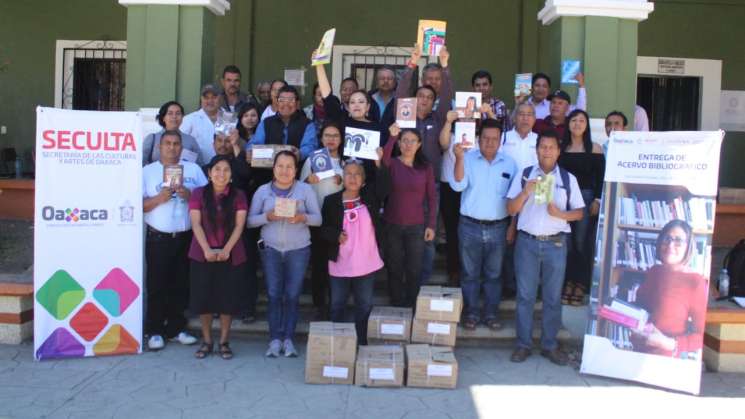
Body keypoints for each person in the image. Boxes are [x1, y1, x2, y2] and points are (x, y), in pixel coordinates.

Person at [507, 130, 585, 365]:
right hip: (527, 243)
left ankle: (549, 345)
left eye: (552, 147)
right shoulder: (525, 175)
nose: (547, 151)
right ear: (537, 149)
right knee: (525, 297)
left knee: (552, 298)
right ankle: (523, 345)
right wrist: (526, 191)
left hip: (556, 244)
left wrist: (559, 214)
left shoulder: (568, 179)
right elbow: (511, 209)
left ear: (559, 151)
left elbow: (579, 213)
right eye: (543, 147)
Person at [248, 151, 321, 358]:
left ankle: (288, 339)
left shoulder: (305, 190)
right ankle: (274, 339)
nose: (285, 171)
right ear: (273, 168)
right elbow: (250, 221)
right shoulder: (262, 191)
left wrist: (302, 217)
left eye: (289, 166)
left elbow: (318, 219)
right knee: (273, 294)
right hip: (270, 249)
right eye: (280, 166)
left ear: (296, 170)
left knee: (292, 295)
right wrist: (267, 216)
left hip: (298, 249)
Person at [142, 130, 208, 351]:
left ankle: (176, 329)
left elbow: (207, 199)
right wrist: (159, 199)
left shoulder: (193, 169)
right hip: (158, 238)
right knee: (157, 285)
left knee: (181, 285)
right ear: (160, 147)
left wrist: (190, 195)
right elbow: (136, 206)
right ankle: (155, 331)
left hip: (186, 237)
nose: (172, 147)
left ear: (182, 147)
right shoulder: (147, 172)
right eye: (167, 143)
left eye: (176, 144)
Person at [450, 119, 517, 330]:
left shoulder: (510, 164)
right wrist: (459, 158)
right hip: (470, 226)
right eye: (485, 138)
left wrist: (512, 226)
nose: (489, 142)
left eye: (494, 139)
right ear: (478, 139)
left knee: (494, 275)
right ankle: (471, 313)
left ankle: (490, 314)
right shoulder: (467, 159)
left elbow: (514, 198)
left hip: (499, 227)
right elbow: (458, 185)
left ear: (500, 141)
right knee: (469, 274)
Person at [396, 44, 453, 286]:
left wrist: (445, 66)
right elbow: (400, 93)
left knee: (428, 236)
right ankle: (403, 283)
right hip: (403, 186)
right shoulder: (405, 117)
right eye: (420, 96)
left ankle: (422, 283)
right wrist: (412, 63)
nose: (424, 101)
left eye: (429, 98)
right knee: (403, 237)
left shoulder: (438, 118)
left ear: (433, 102)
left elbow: (449, 94)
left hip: (431, 187)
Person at [320, 160, 389, 344]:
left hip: (366, 263)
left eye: (357, 174)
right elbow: (322, 229)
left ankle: (361, 341)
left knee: (364, 305)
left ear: (364, 179)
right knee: (337, 304)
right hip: (340, 262)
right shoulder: (331, 201)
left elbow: (385, 186)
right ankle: (338, 344)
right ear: (342, 177)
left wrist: (379, 163)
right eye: (348, 173)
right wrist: (335, 235)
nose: (352, 177)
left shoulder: (370, 198)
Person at [188, 155, 248, 360]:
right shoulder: (198, 194)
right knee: (203, 299)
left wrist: (227, 249)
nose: (221, 174)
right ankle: (207, 341)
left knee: (227, 300)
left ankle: (224, 341)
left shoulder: (239, 195)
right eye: (217, 169)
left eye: (226, 170)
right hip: (201, 253)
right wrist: (206, 249)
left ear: (231, 175)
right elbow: (196, 223)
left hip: (231, 254)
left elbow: (240, 224)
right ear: (209, 173)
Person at [630, 220, 707, 357]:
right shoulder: (654, 272)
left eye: (678, 241)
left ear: (688, 246)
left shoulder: (695, 282)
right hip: (638, 353)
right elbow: (641, 309)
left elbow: (703, 336)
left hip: (666, 361)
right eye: (667, 239)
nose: (670, 245)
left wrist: (669, 343)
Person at [381, 124, 436, 307]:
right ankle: (396, 303)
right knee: (394, 267)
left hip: (416, 226)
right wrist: (392, 137)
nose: (408, 144)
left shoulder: (425, 167)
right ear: (399, 143)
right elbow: (384, 159)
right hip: (392, 224)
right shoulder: (393, 163)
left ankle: (412, 304)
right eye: (404, 141)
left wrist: (432, 225)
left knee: (414, 269)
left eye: (412, 141)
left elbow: (432, 198)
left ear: (419, 144)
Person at [558, 110, 605, 306]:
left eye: (581, 120)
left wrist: (597, 200)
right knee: (566, 243)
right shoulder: (561, 148)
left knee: (581, 242)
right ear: (568, 124)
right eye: (574, 120)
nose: (577, 123)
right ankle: (567, 282)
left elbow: (601, 178)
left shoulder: (595, 149)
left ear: (587, 125)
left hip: (586, 199)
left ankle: (580, 283)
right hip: (564, 199)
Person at [299, 121, 345, 319]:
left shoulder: (347, 161)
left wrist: (342, 180)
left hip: (339, 219)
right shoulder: (312, 160)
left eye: (335, 136)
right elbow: (299, 186)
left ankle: (337, 302)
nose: (331, 139)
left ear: (341, 139)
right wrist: (308, 180)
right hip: (317, 216)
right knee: (319, 263)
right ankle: (320, 304)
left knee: (339, 262)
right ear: (321, 138)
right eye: (327, 135)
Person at [500, 102, 540, 299]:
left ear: (535, 118)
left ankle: (526, 286)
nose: (525, 118)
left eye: (529, 114)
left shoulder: (539, 141)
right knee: (508, 240)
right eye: (521, 114)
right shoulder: (504, 138)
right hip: (507, 197)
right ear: (514, 117)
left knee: (526, 244)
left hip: (533, 199)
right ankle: (508, 284)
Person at [249, 85, 317, 161]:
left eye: (291, 100)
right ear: (277, 102)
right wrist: (250, 151)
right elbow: (256, 143)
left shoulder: (307, 124)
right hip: (268, 170)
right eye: (282, 100)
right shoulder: (266, 123)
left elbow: (310, 146)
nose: (286, 104)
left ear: (297, 103)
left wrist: (300, 153)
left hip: (297, 169)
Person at [438, 110, 461, 286]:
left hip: (469, 188)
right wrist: (448, 121)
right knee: (452, 231)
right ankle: (453, 269)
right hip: (449, 187)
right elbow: (443, 144)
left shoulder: (478, 137)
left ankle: (465, 270)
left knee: (466, 232)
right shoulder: (451, 134)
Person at [142, 101, 203, 166]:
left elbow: (200, 165)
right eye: (170, 113)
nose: (174, 116)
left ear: (182, 117)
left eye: (178, 113)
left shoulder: (190, 140)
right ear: (163, 118)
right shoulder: (152, 138)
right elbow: (140, 164)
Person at [181, 84, 221, 162]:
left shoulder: (228, 118)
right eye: (206, 98)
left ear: (220, 98)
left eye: (214, 97)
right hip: (199, 168)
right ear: (201, 99)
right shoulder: (189, 119)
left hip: (222, 169)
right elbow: (181, 144)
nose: (210, 101)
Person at [522, 72, 587, 120]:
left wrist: (581, 85)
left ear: (548, 90)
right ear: (531, 87)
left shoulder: (553, 105)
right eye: (537, 85)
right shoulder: (523, 105)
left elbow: (580, 111)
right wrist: (519, 102)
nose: (540, 89)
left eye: (544, 86)